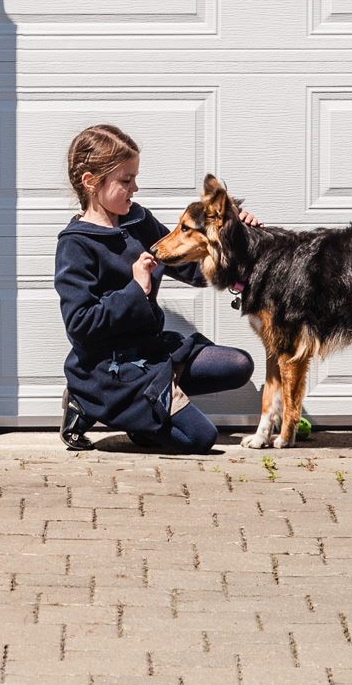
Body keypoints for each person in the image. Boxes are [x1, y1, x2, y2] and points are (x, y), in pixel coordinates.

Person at [55, 124, 257, 453]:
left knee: (238, 365)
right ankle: (89, 400)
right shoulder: (76, 245)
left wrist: (233, 238)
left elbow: (191, 268)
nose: (135, 187)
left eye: (134, 177)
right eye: (125, 180)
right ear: (91, 181)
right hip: (112, 369)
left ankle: (150, 409)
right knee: (201, 438)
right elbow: (80, 326)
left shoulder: (137, 219)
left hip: (153, 351)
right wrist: (136, 288)